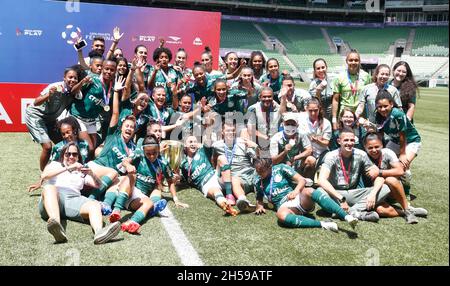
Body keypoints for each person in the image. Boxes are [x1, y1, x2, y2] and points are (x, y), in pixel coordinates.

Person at [38, 142, 121, 244]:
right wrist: (67, 168)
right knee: (49, 188)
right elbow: (44, 176)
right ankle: (56, 225)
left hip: (73, 200)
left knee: (94, 204)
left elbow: (98, 185)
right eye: (68, 154)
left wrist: (91, 174)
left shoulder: (80, 171)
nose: (71, 157)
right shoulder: (55, 164)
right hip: (52, 198)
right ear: (63, 155)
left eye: (74, 154)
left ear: (78, 157)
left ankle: (99, 233)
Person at [253, 158, 358, 232]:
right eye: (258, 171)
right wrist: (260, 206)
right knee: (281, 216)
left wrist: (296, 191)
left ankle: (347, 217)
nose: (259, 173)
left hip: (298, 199)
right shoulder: (258, 181)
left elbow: (301, 180)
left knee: (310, 190)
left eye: (262, 171)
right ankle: (324, 224)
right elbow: (259, 198)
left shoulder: (281, 168)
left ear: (270, 167)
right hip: (285, 207)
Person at [112, 135, 188, 233]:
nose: (152, 156)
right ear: (143, 151)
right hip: (129, 191)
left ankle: (132, 222)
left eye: (154, 153)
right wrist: (128, 165)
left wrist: (176, 199)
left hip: (139, 199)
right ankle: (116, 210)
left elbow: (170, 181)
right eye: (148, 153)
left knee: (156, 190)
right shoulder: (139, 155)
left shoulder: (163, 163)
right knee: (131, 175)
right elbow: (125, 161)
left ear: (159, 149)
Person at [317, 127, 391, 222]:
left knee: (385, 188)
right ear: (339, 141)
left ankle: (347, 212)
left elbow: (379, 178)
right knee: (319, 191)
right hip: (335, 194)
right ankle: (357, 213)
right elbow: (321, 180)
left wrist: (372, 194)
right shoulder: (331, 156)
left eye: (352, 140)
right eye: (346, 140)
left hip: (354, 193)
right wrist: (341, 199)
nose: (350, 143)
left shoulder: (361, 154)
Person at [25, 65, 83, 170]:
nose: (73, 80)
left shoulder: (76, 92)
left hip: (51, 119)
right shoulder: (55, 87)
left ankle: (63, 168)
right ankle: (44, 175)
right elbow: (36, 102)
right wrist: (48, 95)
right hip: (36, 116)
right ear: (64, 78)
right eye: (70, 77)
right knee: (47, 147)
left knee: (65, 143)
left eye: (75, 78)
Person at [363, 132, 427, 223]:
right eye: (370, 148)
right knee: (381, 210)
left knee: (391, 179)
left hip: (391, 190)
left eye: (377, 146)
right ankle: (404, 212)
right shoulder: (363, 157)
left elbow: (400, 171)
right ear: (365, 148)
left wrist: (379, 172)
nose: (374, 150)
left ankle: (407, 210)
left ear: (382, 145)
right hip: (374, 193)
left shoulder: (387, 152)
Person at [374, 90, 421, 197]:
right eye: (379, 107)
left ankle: (406, 191)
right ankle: (388, 190)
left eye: (385, 106)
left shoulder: (397, 114)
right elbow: (380, 133)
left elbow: (402, 135)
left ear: (391, 104)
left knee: (403, 167)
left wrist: (403, 154)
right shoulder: (378, 114)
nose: (382, 109)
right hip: (394, 141)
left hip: (411, 141)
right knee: (383, 162)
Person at [69, 60, 118, 158]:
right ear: (102, 69)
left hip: (91, 120)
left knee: (93, 148)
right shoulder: (92, 79)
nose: (108, 72)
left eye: (112, 70)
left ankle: (87, 168)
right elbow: (73, 91)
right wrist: (83, 82)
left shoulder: (113, 87)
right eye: (106, 69)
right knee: (89, 147)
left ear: (115, 71)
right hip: (78, 117)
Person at [180, 135, 238, 216]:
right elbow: (187, 180)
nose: (193, 144)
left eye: (195, 142)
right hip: (205, 184)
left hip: (215, 175)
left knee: (221, 158)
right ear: (185, 145)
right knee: (216, 192)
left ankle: (229, 194)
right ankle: (225, 205)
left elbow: (208, 140)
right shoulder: (183, 164)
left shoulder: (202, 151)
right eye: (190, 142)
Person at [211, 122, 258, 211]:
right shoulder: (217, 145)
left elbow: (257, 157)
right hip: (239, 178)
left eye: (233, 130)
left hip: (251, 173)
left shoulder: (243, 142)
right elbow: (213, 159)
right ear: (222, 132)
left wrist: (255, 146)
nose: (231, 133)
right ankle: (243, 201)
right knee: (234, 180)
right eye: (228, 130)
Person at [332, 49, 371, 130]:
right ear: (346, 61)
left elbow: (368, 98)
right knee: (344, 139)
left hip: (360, 114)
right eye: (351, 60)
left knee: (360, 139)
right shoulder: (339, 77)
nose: (353, 62)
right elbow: (335, 100)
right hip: (345, 115)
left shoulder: (366, 76)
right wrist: (334, 119)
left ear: (359, 61)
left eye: (356, 60)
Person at [270, 113, 315, 179]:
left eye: (293, 124)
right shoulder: (276, 138)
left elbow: (309, 150)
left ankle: (306, 182)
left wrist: (295, 158)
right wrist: (284, 152)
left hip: (296, 163)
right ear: (283, 124)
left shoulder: (301, 135)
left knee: (311, 160)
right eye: (287, 124)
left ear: (297, 125)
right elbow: (274, 160)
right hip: (281, 165)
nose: (290, 126)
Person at [247, 87, 287, 157]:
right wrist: (265, 137)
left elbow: (283, 114)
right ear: (259, 97)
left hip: (274, 144)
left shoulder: (277, 108)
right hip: (258, 143)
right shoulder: (253, 109)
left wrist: (283, 97)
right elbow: (251, 130)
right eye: (264, 97)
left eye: (269, 97)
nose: (267, 99)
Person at [297, 98, 332, 171]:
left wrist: (317, 141)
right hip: (305, 152)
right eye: (310, 111)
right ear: (306, 109)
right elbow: (285, 115)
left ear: (319, 109)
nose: (313, 113)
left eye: (315, 110)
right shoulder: (301, 118)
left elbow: (326, 143)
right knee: (310, 160)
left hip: (321, 153)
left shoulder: (326, 123)